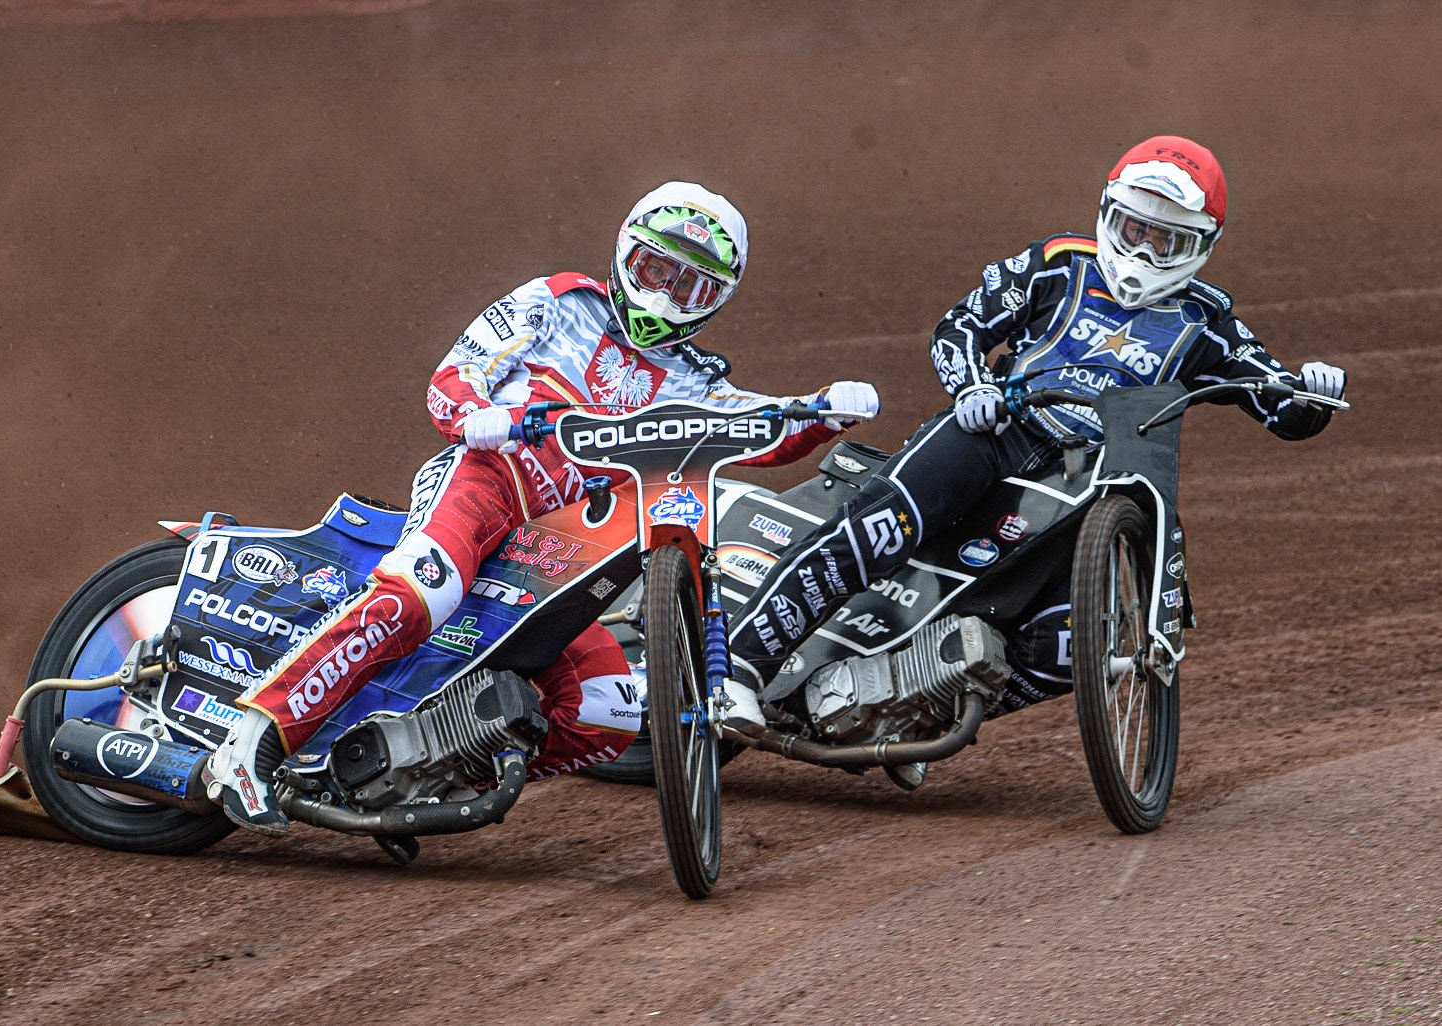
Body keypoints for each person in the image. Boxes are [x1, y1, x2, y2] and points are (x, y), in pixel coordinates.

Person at [205, 181, 880, 834]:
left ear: (716, 300)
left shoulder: (696, 380)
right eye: (654, 269)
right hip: (486, 486)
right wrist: (475, 415)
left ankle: (418, 773)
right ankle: (253, 739)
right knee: (421, 594)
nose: (664, 294)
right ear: (625, 253)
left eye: (688, 286)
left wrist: (825, 411)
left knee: (609, 710)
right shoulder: (557, 301)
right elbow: (455, 372)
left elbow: (761, 429)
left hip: (557, 549)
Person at [719, 136, 1348, 733]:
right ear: (1110, 215)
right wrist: (972, 389)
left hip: (1091, 483)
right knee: (875, 526)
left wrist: (1313, 390)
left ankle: (915, 701)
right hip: (996, 433)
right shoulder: (1056, 263)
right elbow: (959, 325)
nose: (1145, 253)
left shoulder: (1206, 320)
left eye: (1167, 242)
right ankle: (740, 670)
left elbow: (1282, 409)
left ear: (1201, 246)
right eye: (1135, 230)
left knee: (1070, 648)